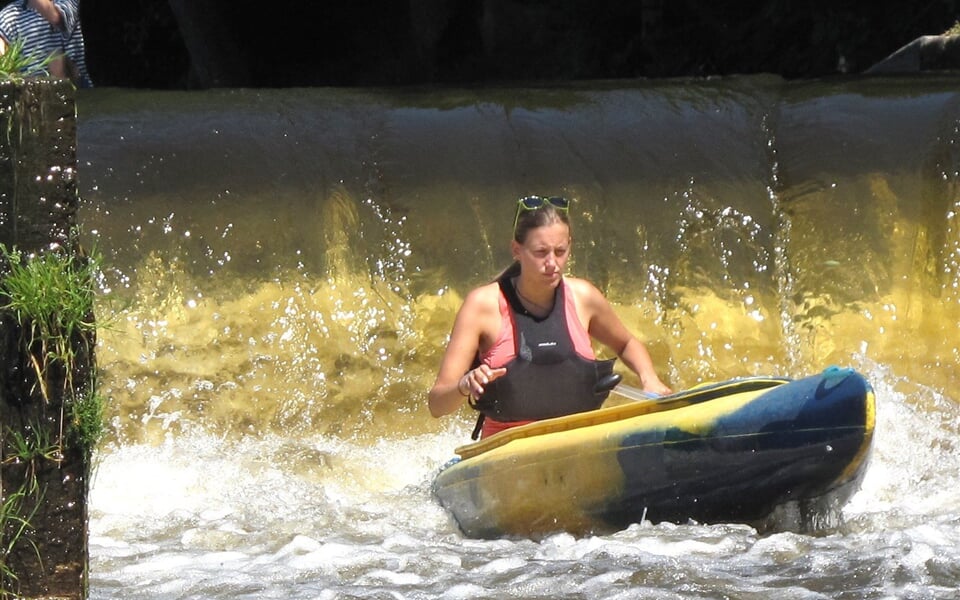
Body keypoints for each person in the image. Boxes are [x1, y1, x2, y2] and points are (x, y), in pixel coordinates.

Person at [428, 195, 672, 439]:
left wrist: (649, 379)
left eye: (560, 251)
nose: (552, 263)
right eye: (541, 252)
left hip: (577, 440)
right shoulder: (482, 305)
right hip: (507, 449)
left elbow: (626, 343)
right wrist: (464, 385)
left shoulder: (584, 297)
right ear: (516, 250)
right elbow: (437, 405)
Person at [0, 0, 92, 88]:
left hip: (78, 90)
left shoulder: (66, 1)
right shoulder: (10, 14)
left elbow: (54, 17)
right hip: (32, 95)